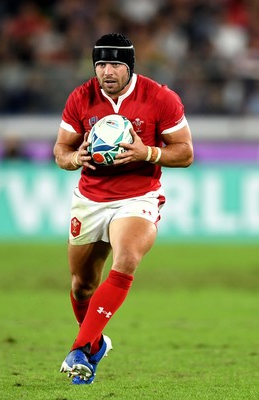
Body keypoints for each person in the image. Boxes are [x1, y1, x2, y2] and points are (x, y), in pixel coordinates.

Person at [53, 32, 194, 384]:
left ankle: (81, 348)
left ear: (129, 67)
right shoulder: (81, 97)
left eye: (115, 63)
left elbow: (186, 152)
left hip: (138, 196)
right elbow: (60, 150)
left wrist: (146, 152)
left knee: (127, 258)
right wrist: (74, 158)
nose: (107, 71)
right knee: (82, 285)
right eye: (101, 64)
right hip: (90, 198)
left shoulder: (160, 98)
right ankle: (95, 346)